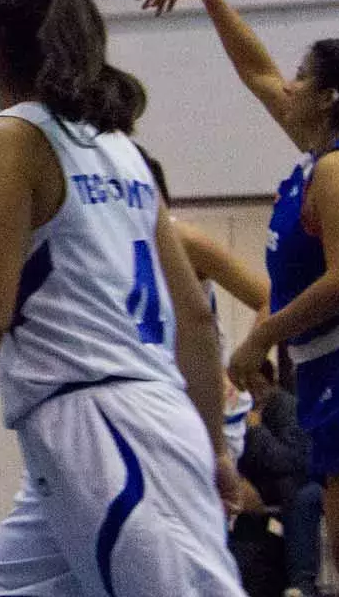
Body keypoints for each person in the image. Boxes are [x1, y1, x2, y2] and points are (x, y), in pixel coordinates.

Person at [0, 0, 243, 595]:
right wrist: (215, 448)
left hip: (101, 426)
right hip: (128, 423)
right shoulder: (120, 148)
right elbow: (196, 320)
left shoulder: (5, 141)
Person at [141, 0, 339, 596]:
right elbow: (256, 71)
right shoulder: (319, 150)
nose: (288, 83)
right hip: (332, 368)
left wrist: (260, 333)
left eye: (303, 75)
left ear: (329, 97)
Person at [139, 150, 270, 464]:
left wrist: (252, 349)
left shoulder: (180, 238)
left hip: (205, 409)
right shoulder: (109, 244)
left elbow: (270, 297)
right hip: (153, 404)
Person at [240, 358, 323, 596]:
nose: (254, 394)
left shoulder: (287, 409)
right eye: (248, 388)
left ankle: (302, 584)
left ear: (271, 383)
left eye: (258, 386)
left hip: (293, 487)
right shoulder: (243, 411)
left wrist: (257, 431)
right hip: (259, 492)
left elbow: (291, 460)